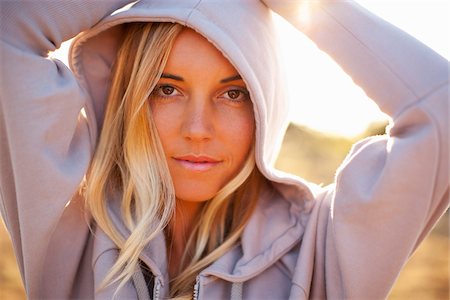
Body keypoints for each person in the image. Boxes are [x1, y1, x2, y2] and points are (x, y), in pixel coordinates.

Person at [0, 0, 448, 299]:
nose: (198, 129)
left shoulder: (321, 248)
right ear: (130, 95)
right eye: (167, 89)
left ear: (265, 103)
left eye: (233, 94)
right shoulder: (69, 221)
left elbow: (439, 111)